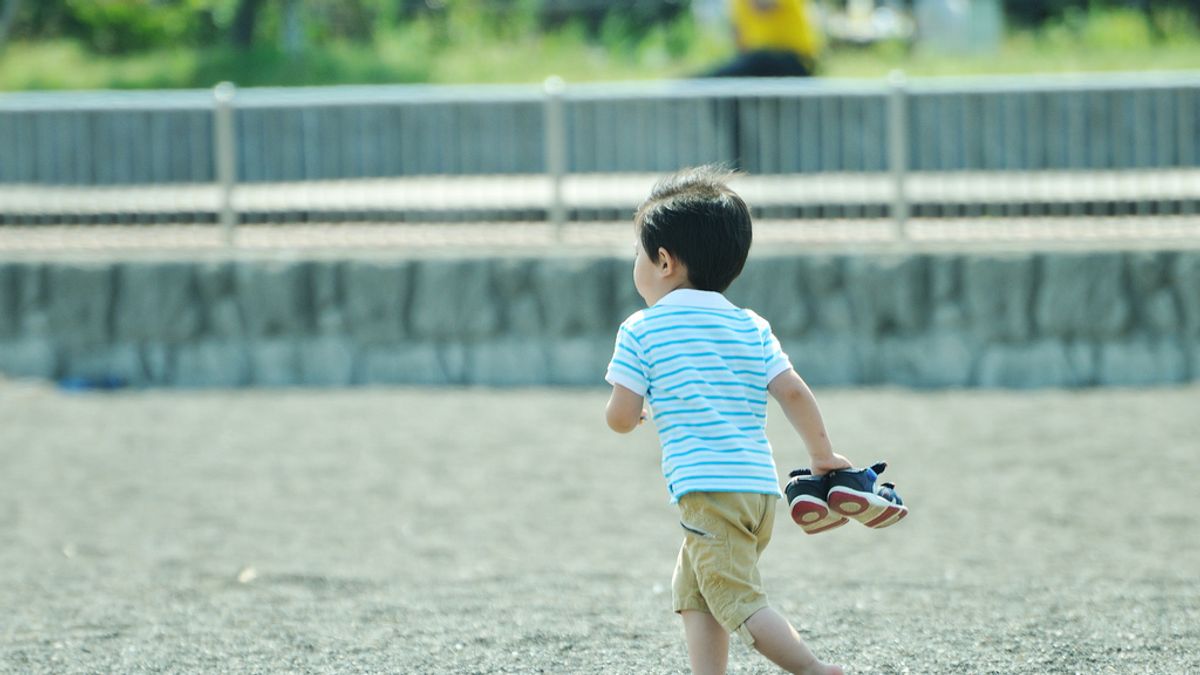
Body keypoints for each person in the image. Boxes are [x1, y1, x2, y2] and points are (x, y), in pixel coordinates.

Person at [603, 165, 850, 675]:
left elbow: (621, 417)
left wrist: (634, 413)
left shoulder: (642, 330)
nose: (635, 264)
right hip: (757, 492)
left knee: (738, 601)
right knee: (695, 590)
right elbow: (793, 392)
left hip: (706, 489)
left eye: (637, 254)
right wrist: (822, 456)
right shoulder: (750, 325)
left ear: (664, 261)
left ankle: (815, 670)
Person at [704, 0, 823, 78]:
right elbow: (739, 36)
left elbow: (762, 5)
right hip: (757, 61)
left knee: (758, 59)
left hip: (796, 60)